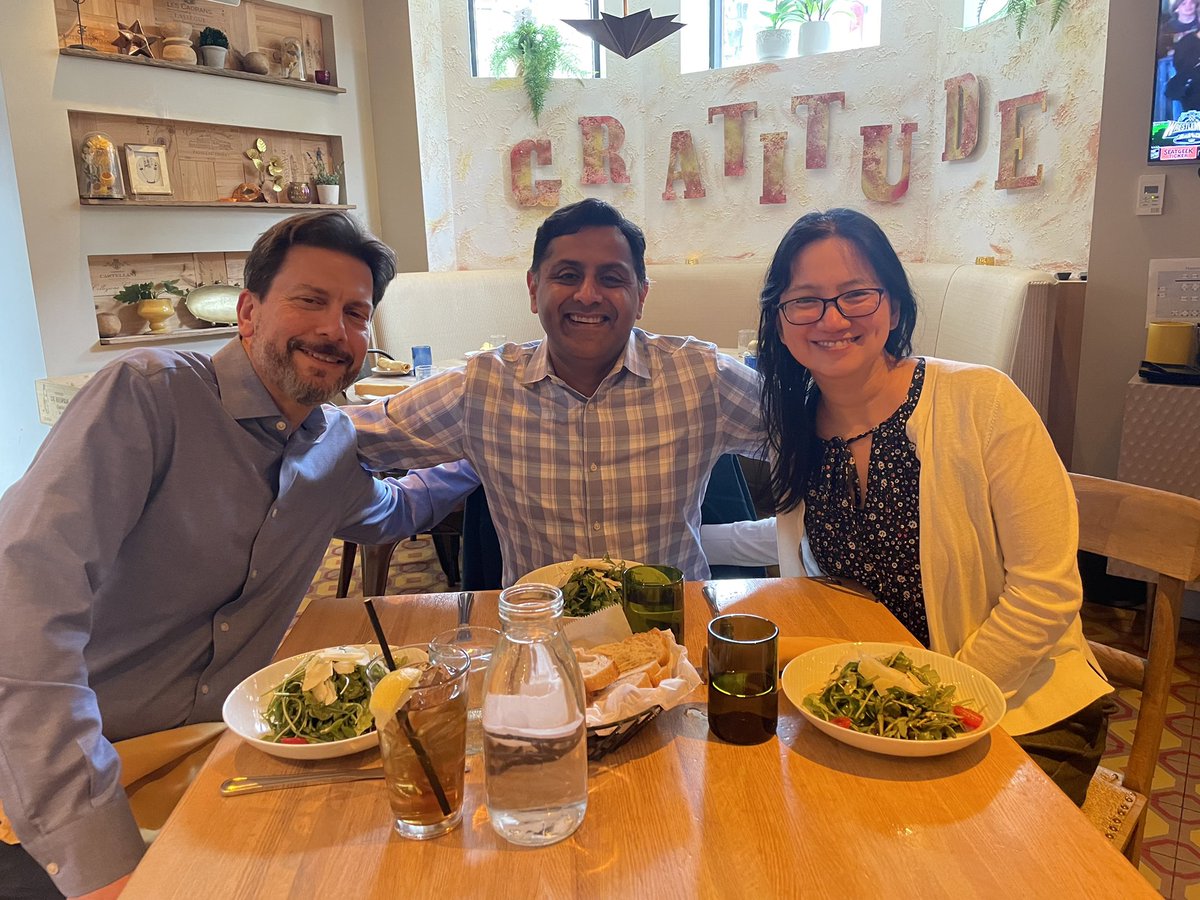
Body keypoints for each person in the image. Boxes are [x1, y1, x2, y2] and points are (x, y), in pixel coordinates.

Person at [0, 212, 479, 899]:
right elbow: (21, 611)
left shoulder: (332, 446)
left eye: (355, 312)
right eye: (309, 300)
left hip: (217, 767)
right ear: (249, 312)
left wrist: (483, 456)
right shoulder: (148, 396)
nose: (334, 330)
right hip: (51, 796)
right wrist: (97, 857)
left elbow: (395, 513)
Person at [709, 208, 1112, 805]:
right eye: (806, 300)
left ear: (893, 305)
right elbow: (797, 537)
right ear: (780, 320)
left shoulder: (982, 402)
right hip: (872, 708)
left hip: (1016, 710)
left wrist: (939, 705)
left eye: (856, 295)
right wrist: (686, 538)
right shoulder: (795, 427)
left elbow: (1045, 591)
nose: (832, 318)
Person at [349, 198, 764, 586]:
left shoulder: (701, 378)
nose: (587, 294)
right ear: (533, 289)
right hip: (543, 642)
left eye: (611, 278)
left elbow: (811, 433)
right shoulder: (484, 388)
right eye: (567, 276)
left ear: (641, 295)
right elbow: (352, 439)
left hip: (670, 635)